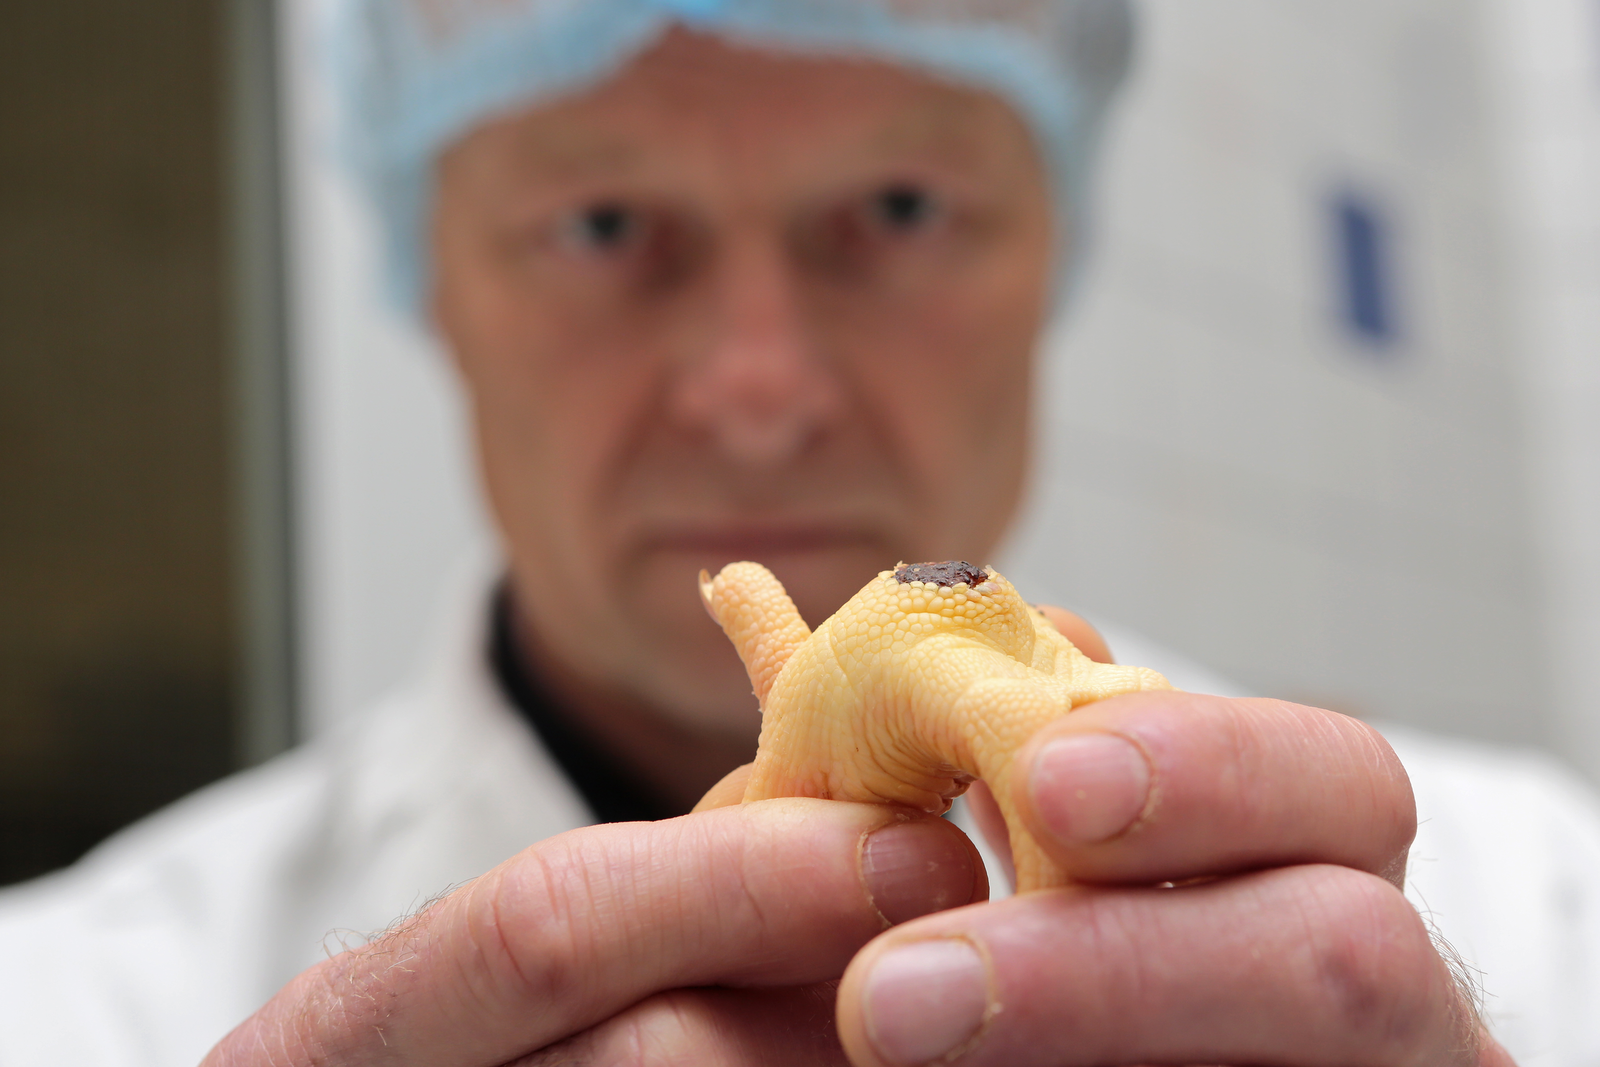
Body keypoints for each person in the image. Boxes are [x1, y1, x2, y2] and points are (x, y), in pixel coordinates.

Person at [3, 1, 1599, 1064]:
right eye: (605, 225)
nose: (759, 392)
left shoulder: (1536, 911)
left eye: (896, 210)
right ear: (435, 278)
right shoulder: (70, 1008)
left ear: (1053, 238)